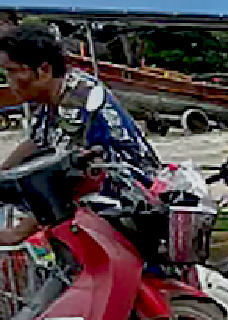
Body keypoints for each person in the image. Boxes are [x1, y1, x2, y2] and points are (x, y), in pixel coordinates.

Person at [0, 23, 161, 244]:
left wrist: (17, 233)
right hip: (97, 199)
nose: (8, 81)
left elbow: (60, 179)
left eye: (12, 72)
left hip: (131, 203)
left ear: (44, 71)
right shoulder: (55, 95)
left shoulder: (79, 99)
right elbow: (35, 143)